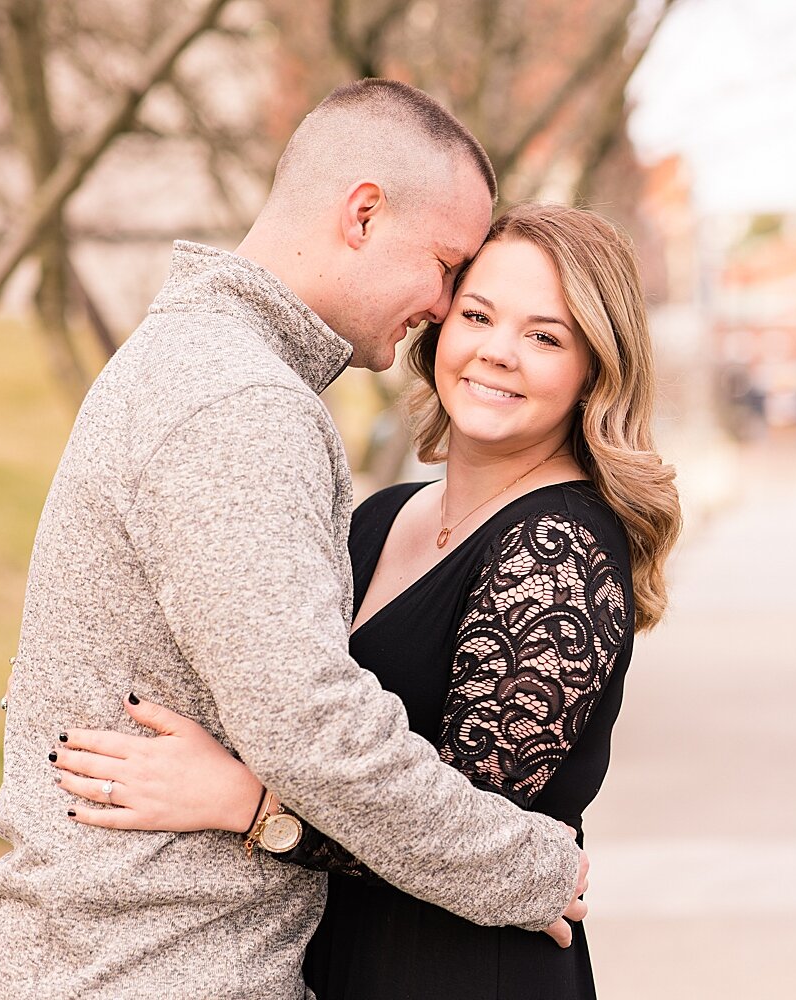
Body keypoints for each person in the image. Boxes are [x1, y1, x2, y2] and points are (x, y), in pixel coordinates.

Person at [0, 82, 590, 999]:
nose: (443, 302)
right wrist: (530, 870)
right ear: (362, 215)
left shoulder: (195, 360)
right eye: (444, 265)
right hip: (158, 968)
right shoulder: (243, 401)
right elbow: (310, 724)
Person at [52, 202, 682, 999]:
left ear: (597, 369)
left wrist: (247, 805)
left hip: (459, 968)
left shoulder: (557, 548)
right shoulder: (382, 518)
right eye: (478, 315)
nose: (498, 353)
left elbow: (468, 832)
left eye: (545, 336)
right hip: (324, 955)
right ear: (438, 328)